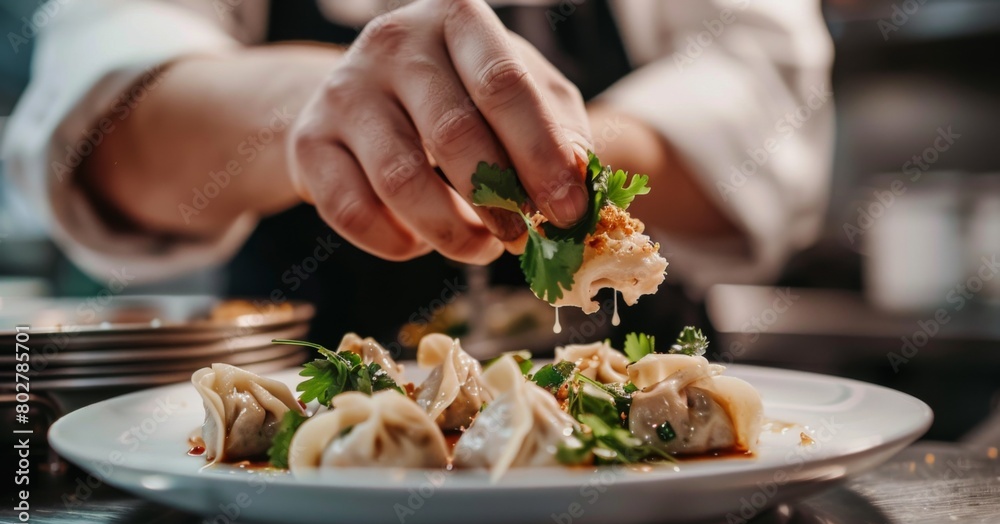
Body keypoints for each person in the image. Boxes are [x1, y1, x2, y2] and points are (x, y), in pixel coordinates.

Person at [1, 0, 833, 344]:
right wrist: (332, 109)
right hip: (299, 460)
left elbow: (765, 95)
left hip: (666, 476)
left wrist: (550, 151)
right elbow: (100, 121)